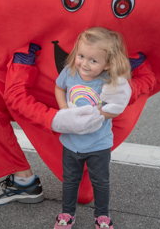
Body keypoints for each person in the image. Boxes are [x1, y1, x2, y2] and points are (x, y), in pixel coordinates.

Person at [53, 27, 131, 229]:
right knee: (70, 180)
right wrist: (63, 109)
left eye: (93, 60)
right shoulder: (70, 71)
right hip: (71, 142)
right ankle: (67, 214)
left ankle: (102, 216)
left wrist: (100, 114)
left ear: (108, 64)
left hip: (98, 143)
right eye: (81, 56)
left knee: (101, 182)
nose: (84, 63)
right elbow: (59, 87)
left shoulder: (109, 81)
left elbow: (117, 107)